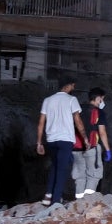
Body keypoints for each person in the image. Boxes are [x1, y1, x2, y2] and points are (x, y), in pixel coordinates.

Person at [36, 78, 88, 206]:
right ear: (68, 85)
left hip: (51, 140)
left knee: (56, 165)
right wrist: (85, 138)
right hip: (65, 140)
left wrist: (39, 142)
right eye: (73, 85)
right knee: (62, 170)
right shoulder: (71, 100)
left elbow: (41, 123)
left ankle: (48, 195)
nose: (74, 88)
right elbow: (78, 121)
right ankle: (55, 202)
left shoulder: (47, 100)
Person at [71, 87, 112, 199]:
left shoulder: (78, 109)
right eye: (102, 99)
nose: (103, 102)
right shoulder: (99, 112)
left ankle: (79, 200)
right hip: (91, 147)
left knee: (80, 175)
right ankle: (88, 200)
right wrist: (107, 150)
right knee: (94, 174)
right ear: (98, 98)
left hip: (76, 147)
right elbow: (102, 132)